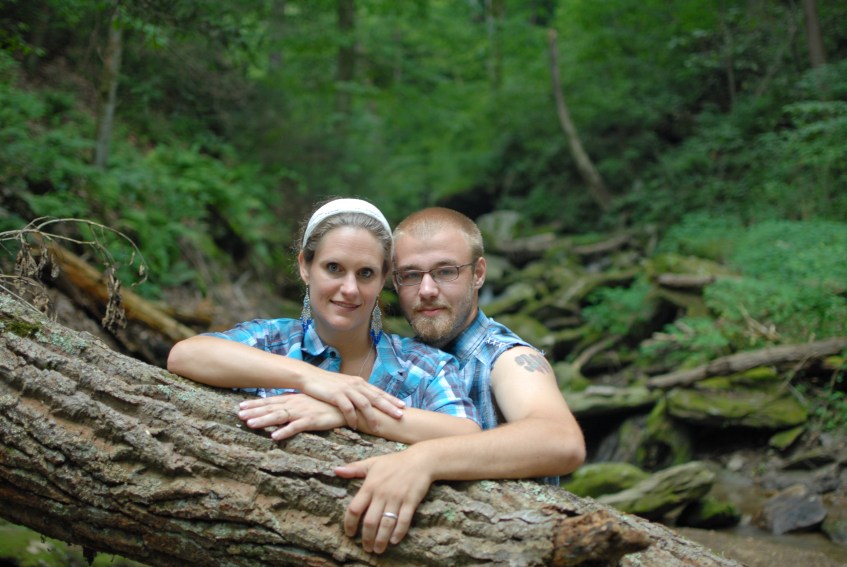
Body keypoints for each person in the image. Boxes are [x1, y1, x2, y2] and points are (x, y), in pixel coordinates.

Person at [243, 207, 587, 554]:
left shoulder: (504, 358)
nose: (426, 289)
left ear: (478, 273)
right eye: (410, 275)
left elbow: (560, 441)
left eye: (445, 272)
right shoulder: (407, 359)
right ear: (393, 281)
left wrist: (425, 459)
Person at [167, 198, 481, 446]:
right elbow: (185, 355)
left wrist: (346, 413)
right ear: (305, 266)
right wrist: (309, 379)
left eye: (366, 273)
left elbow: (466, 435)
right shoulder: (273, 342)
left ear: (384, 277)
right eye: (333, 268)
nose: (349, 289)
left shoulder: (422, 367)